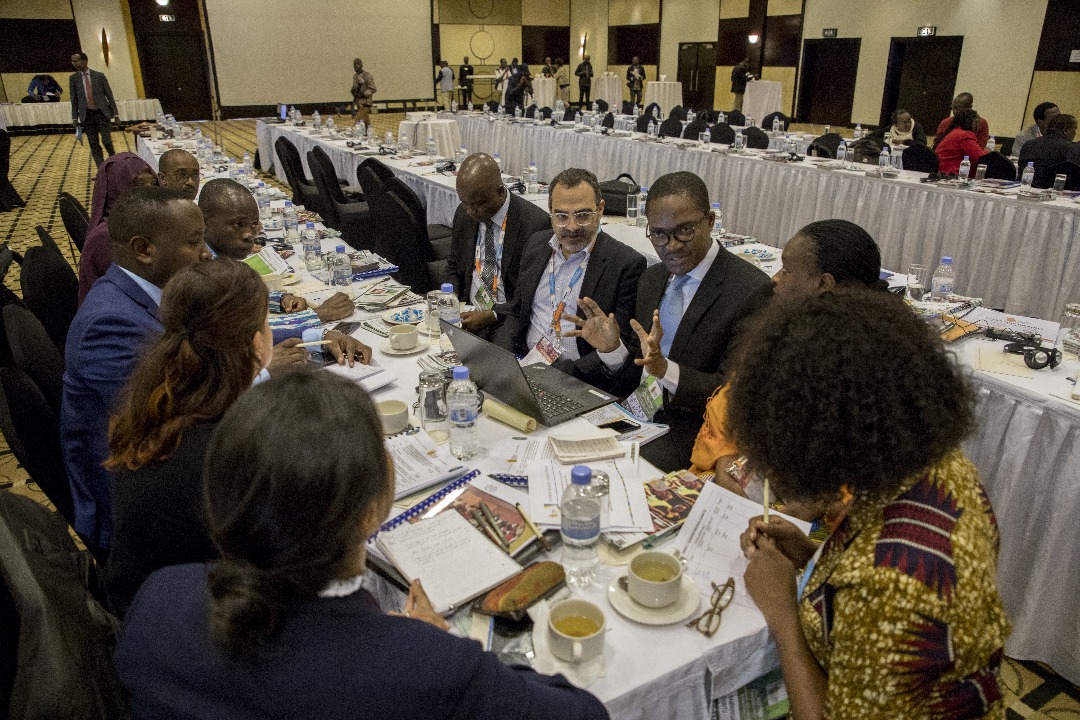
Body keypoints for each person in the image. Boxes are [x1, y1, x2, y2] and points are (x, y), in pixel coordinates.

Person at [113, 370, 611, 720]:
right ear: (376, 506)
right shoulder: (428, 669)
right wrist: (441, 648)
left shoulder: (158, 600)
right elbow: (585, 714)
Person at [732, 289, 1009, 719]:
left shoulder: (890, 588)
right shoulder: (937, 466)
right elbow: (871, 560)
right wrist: (810, 555)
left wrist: (782, 612)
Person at [564, 171, 771, 472]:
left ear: (710, 221)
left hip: (688, 431)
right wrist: (613, 349)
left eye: (684, 231)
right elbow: (639, 365)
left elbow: (731, 393)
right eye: (659, 234)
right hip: (632, 413)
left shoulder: (750, 290)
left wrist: (665, 371)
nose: (671, 245)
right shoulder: (652, 278)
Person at [104, 260, 272, 616]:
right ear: (257, 344)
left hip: (148, 604)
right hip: (200, 620)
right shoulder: (233, 456)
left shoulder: (156, 405)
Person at [62, 186, 212, 556]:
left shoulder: (151, 291)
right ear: (144, 250)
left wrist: (308, 337)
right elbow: (169, 419)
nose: (206, 253)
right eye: (193, 242)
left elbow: (211, 334)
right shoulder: (110, 325)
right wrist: (260, 370)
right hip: (142, 510)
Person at [688, 219, 889, 494]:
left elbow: (864, 470)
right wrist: (723, 457)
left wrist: (816, 503)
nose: (775, 277)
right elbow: (727, 408)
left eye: (787, 269)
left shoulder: (876, 361)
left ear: (824, 283)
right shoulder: (782, 331)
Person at [197, 178, 370, 363]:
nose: (249, 235)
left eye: (254, 225)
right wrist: (319, 314)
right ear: (205, 222)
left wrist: (280, 300)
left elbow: (240, 297)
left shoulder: (223, 262)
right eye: (237, 225)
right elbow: (243, 332)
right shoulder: (203, 269)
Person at [498, 168, 645, 378]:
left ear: (600, 209)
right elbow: (517, 311)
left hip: (578, 378)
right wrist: (502, 359)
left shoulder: (625, 264)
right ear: (550, 212)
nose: (572, 226)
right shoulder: (536, 245)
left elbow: (618, 349)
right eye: (561, 216)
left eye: (582, 215)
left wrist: (553, 375)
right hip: (524, 363)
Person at [448, 153, 552, 339]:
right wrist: (451, 297)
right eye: (465, 203)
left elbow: (531, 294)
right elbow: (453, 264)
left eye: (477, 205)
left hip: (506, 318)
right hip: (467, 310)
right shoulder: (464, 214)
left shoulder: (535, 225)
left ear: (500, 192)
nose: (470, 211)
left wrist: (493, 314)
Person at [77, 152, 158, 303]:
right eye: (139, 185)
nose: (149, 192)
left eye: (153, 184)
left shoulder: (136, 221)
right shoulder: (106, 237)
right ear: (118, 188)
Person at [69, 51, 118, 167]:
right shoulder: (73, 79)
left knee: (107, 141)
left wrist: (116, 115)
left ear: (85, 61)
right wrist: (74, 118)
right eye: (73, 62)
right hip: (87, 116)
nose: (74, 64)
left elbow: (109, 96)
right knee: (93, 143)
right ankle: (101, 169)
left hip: (102, 113)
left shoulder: (99, 76)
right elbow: (74, 100)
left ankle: (114, 163)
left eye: (76, 61)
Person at [1017, 113, 1080, 187]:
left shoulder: (1028, 144)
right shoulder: (1070, 149)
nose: (1075, 134)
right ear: (1065, 130)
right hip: (1055, 191)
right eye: (1074, 130)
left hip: (1023, 188)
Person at [933, 108, 988, 176]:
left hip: (941, 173)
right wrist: (989, 152)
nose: (978, 127)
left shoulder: (953, 132)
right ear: (970, 122)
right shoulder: (965, 135)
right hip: (952, 176)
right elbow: (981, 159)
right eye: (977, 123)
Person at [350, 58, 376, 124]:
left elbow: (373, 88)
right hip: (358, 103)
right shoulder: (355, 76)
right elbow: (355, 88)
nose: (356, 66)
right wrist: (353, 91)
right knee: (366, 124)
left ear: (361, 65)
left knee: (358, 123)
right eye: (354, 64)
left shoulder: (367, 75)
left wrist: (363, 94)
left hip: (365, 103)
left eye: (358, 64)